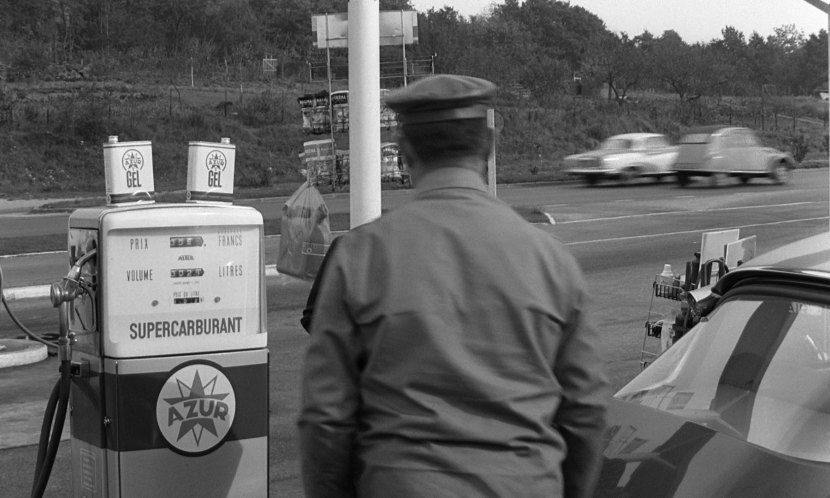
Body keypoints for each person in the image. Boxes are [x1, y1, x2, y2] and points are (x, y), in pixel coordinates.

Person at [298, 74, 609, 498]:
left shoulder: (360, 257)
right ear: (490, 145)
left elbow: (325, 418)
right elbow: (586, 412)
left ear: (404, 153)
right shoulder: (552, 261)